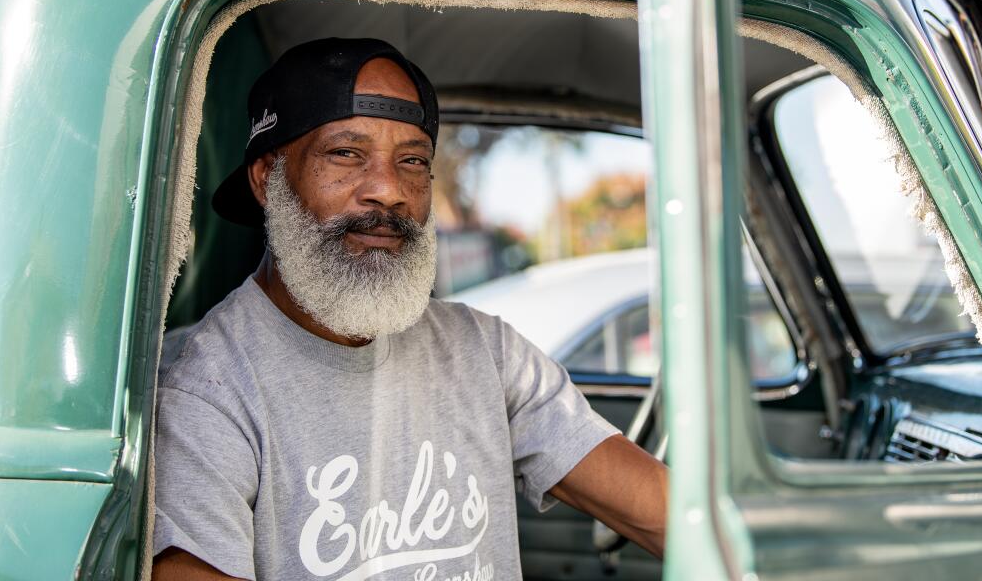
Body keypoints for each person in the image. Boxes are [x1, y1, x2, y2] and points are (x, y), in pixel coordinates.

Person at [151, 37, 668, 581]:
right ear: (267, 178)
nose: (388, 191)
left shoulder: (485, 353)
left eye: (413, 161)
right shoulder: (206, 393)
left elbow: (668, 517)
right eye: (347, 154)